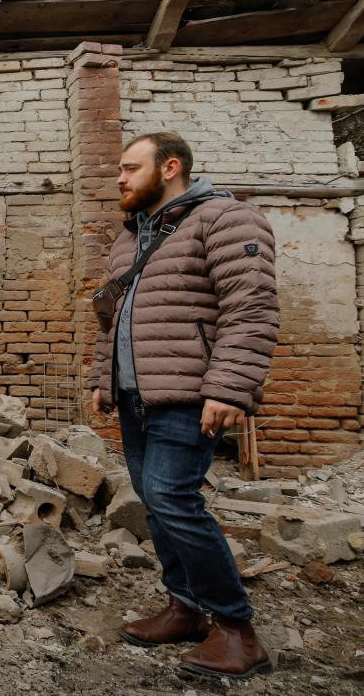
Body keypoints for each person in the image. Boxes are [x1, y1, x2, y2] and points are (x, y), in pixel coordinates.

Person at [89, 132, 278, 680]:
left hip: (191, 394)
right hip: (135, 396)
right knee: (154, 500)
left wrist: (228, 387)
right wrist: (105, 379)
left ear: (170, 167)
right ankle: (185, 609)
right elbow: (111, 320)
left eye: (129, 168)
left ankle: (238, 632)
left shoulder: (226, 220)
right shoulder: (129, 240)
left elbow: (252, 307)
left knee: (173, 498)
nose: (120, 179)